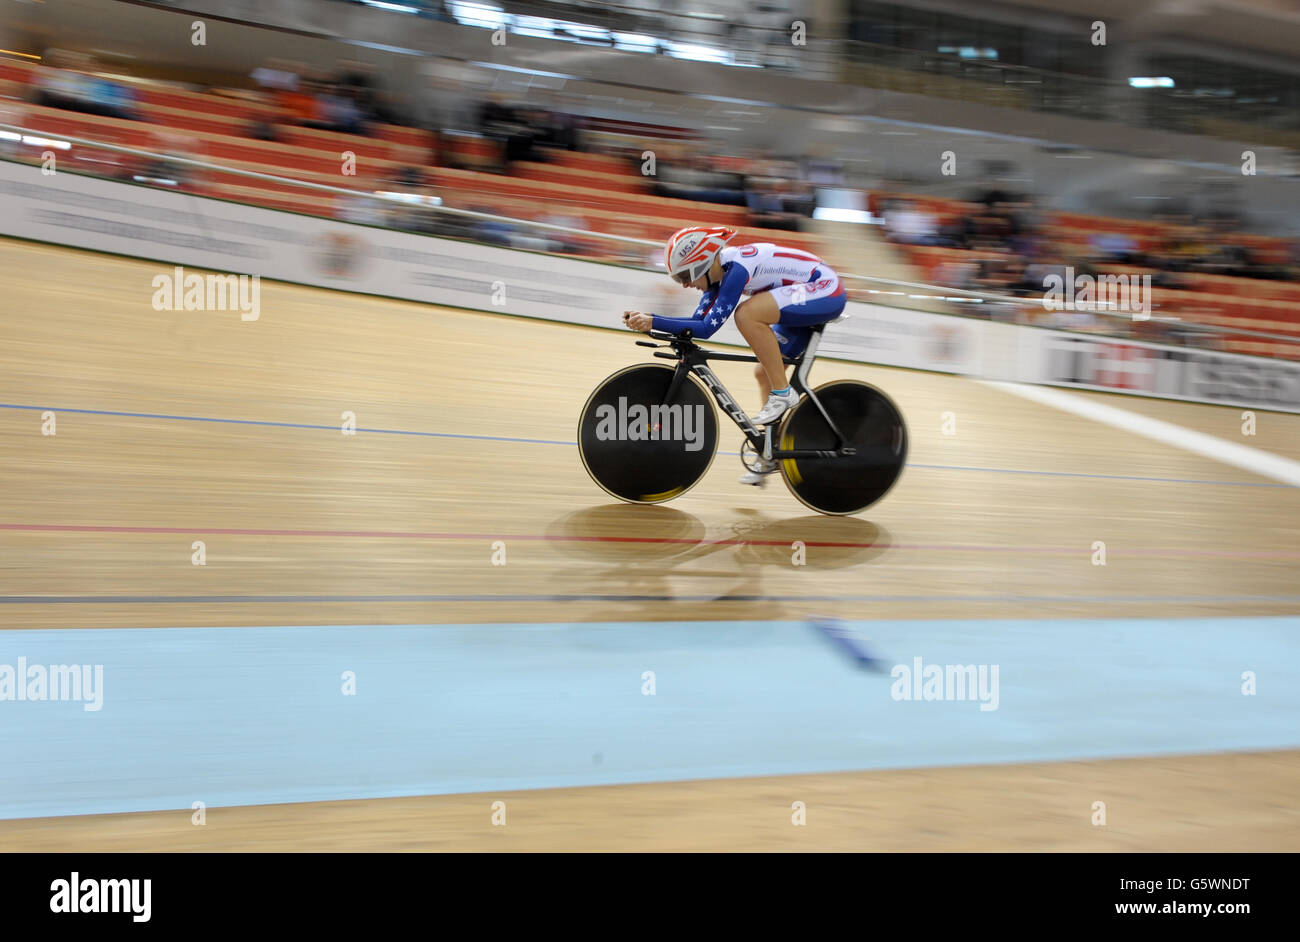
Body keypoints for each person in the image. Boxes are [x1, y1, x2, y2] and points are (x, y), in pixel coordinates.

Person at [623, 226, 846, 486]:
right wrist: (653, 322)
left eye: (685, 275)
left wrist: (654, 321)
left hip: (824, 288)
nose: (684, 284)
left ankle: (783, 394)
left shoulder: (736, 270)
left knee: (746, 314)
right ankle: (770, 453)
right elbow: (697, 322)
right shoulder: (717, 278)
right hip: (806, 291)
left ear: (703, 263)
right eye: (678, 278)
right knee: (765, 372)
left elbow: (708, 328)